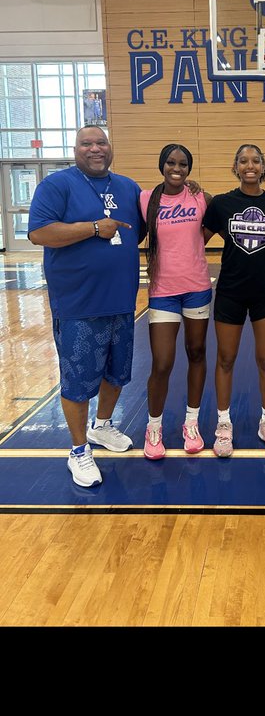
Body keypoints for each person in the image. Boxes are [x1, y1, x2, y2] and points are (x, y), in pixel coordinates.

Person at [28, 126, 144, 488]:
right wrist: (93, 228)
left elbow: (141, 230)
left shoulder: (128, 187)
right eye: (87, 143)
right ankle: (78, 450)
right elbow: (39, 233)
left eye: (101, 142)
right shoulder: (57, 185)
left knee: (116, 372)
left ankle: (103, 427)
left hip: (122, 301)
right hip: (78, 304)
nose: (95, 149)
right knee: (77, 382)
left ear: (111, 148)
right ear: (76, 149)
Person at [201, 143, 265, 457]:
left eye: (256, 160)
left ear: (263, 167)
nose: (250, 165)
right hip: (230, 290)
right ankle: (223, 425)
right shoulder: (222, 203)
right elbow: (196, 239)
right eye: (243, 160)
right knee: (225, 360)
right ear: (236, 167)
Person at [140, 144, 213, 460]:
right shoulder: (146, 199)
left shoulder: (200, 197)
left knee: (196, 352)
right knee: (162, 362)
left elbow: (209, 231)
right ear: (161, 164)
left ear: (189, 168)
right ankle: (153, 427)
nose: (177, 168)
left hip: (197, 287)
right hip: (162, 291)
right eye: (171, 162)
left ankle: (191, 423)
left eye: (183, 164)